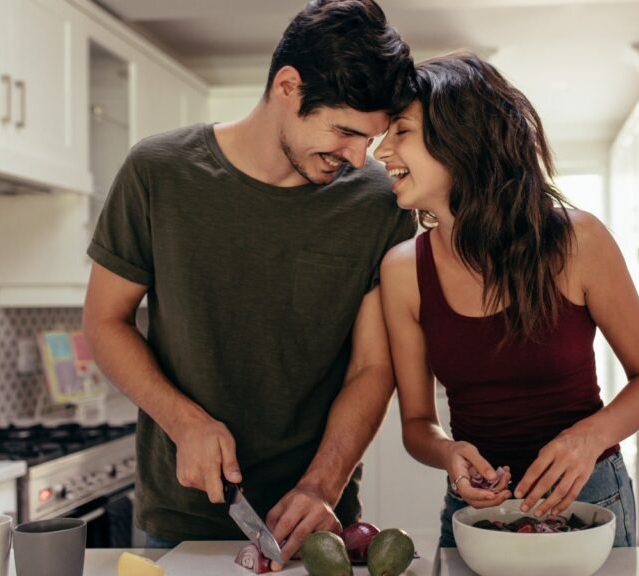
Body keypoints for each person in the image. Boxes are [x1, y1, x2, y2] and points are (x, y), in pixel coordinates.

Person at [81, 0, 415, 566]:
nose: (360, 158)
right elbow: (104, 321)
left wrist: (322, 486)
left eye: (372, 139)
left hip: (317, 523)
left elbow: (371, 367)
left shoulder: (377, 204)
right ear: (288, 86)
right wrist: (184, 422)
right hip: (181, 519)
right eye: (345, 131)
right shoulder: (157, 172)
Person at [375, 53, 639, 548]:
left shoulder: (577, 241)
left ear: (459, 139)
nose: (381, 151)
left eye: (400, 131)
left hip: (592, 501)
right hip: (475, 514)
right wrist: (449, 453)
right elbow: (416, 423)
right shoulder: (403, 270)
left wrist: (588, 439)